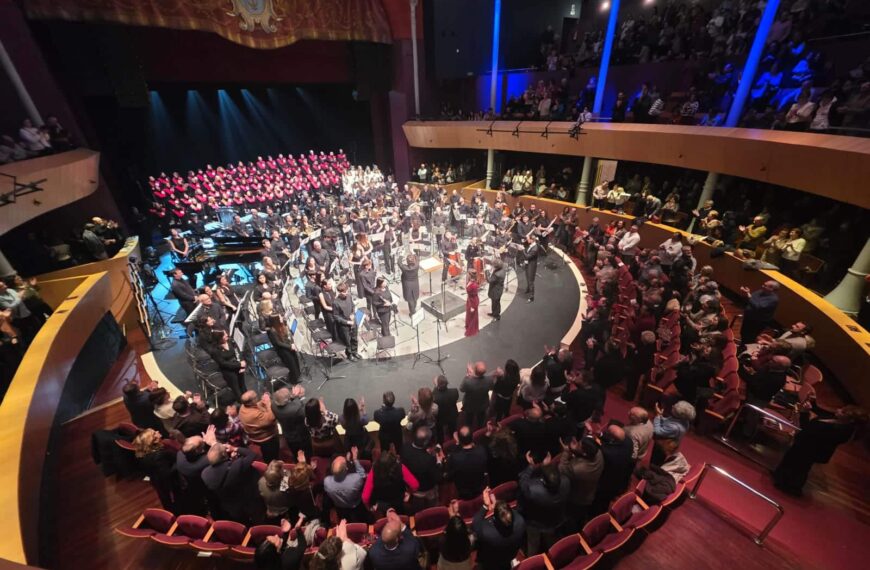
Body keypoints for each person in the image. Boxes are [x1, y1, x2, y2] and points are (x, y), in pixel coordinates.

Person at [773, 405, 868, 496]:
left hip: (810, 449)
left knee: (797, 466)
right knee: (794, 462)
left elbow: (806, 429)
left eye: (842, 411)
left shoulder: (839, 431)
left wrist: (804, 414)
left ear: (850, 420)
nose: (838, 410)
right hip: (808, 446)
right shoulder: (839, 422)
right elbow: (817, 416)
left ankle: (788, 485)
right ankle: (782, 478)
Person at [518, 452, 569, 555]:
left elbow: (523, 481)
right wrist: (548, 466)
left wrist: (531, 467)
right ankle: (553, 556)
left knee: (533, 543)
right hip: (554, 521)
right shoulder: (566, 483)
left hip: (535, 523)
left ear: (543, 481)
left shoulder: (532, 490)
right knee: (551, 540)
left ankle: (531, 560)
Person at [201, 442, 263, 524]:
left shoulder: (205, 474)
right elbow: (252, 454)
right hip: (247, 500)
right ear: (224, 454)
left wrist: (231, 462)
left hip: (229, 505)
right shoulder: (236, 466)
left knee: (242, 522)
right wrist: (234, 448)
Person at [558, 435, 603, 529]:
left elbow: (561, 469)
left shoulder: (577, 469)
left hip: (577, 498)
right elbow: (582, 455)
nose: (577, 444)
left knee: (571, 519)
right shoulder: (598, 453)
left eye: (579, 445)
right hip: (590, 492)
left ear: (585, 453)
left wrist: (566, 451)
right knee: (580, 516)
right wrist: (575, 449)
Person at [472, 492, 526, 570]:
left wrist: (485, 506)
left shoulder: (486, 533)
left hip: (490, 562)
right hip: (509, 557)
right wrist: (496, 504)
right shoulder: (521, 522)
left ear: (495, 519)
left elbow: (475, 523)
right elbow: (511, 513)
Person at [591, 425, 635, 515]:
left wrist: (592, 438)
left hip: (606, 481)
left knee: (599, 502)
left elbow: (602, 449)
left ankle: (595, 516)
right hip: (620, 478)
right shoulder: (628, 442)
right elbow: (613, 441)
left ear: (612, 438)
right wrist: (601, 435)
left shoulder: (607, 453)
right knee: (605, 500)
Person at [132, 428, 177, 510]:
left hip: (155, 479)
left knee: (164, 497)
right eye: (154, 433)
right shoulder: (159, 455)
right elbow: (167, 473)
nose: (158, 431)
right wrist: (178, 464)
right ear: (154, 441)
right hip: (168, 481)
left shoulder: (142, 454)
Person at [323, 446, 369, 523]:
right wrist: (354, 459)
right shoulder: (355, 479)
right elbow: (363, 475)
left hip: (340, 509)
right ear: (347, 469)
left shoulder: (327, 482)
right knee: (365, 522)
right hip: (356, 507)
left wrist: (347, 461)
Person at [403, 426, 442, 510]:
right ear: (426, 443)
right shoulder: (429, 459)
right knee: (433, 508)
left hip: (412, 490)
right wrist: (439, 462)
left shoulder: (405, 448)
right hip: (427, 490)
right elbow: (437, 478)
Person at [447, 426, 488, 499]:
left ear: (459, 440)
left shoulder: (454, 457)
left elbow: (450, 475)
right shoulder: (481, 450)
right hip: (479, 486)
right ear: (472, 437)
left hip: (463, 490)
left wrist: (457, 443)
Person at [239, 390, 280, 463]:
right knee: (271, 456)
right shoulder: (253, 415)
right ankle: (273, 467)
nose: (258, 397)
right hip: (267, 440)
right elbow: (271, 418)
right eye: (256, 397)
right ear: (251, 401)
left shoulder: (243, 406)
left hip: (256, 437)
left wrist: (262, 401)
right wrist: (268, 403)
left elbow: (256, 405)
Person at [271, 386, 311, 457]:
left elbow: (285, 402)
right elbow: (306, 413)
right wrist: (300, 397)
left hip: (287, 434)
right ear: (287, 400)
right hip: (300, 436)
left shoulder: (273, 405)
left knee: (295, 452)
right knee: (307, 452)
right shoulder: (296, 409)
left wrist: (293, 397)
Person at [211, 329, 247, 400]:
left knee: (243, 385)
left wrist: (242, 362)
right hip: (229, 371)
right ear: (219, 338)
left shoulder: (231, 341)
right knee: (236, 389)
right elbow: (223, 363)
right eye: (224, 335)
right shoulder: (215, 350)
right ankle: (242, 403)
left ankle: (248, 399)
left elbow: (238, 352)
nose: (227, 335)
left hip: (238, 366)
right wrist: (239, 365)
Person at [266, 315, 301, 384]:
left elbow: (284, 338)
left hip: (287, 346)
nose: (282, 318)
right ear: (276, 321)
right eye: (280, 318)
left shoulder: (280, 326)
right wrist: (290, 346)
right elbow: (278, 343)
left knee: (295, 360)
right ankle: (294, 380)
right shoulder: (272, 331)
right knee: (291, 364)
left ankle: (298, 375)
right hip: (283, 350)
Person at [438, 503, 473, 570]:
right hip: (465, 566)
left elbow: (448, 531)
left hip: (446, 566)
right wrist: (456, 517)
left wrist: (453, 518)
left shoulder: (442, 541)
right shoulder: (471, 540)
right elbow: (464, 530)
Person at [460, 361, 494, 430]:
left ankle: (469, 429)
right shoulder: (489, 379)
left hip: (470, 405)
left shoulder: (468, 381)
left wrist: (468, 375)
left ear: (474, 370)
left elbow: (462, 389)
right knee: (481, 419)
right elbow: (491, 387)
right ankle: (480, 430)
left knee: (469, 419)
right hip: (482, 404)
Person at [333, 283, 362, 361]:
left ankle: (355, 352)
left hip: (353, 321)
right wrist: (347, 322)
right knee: (348, 340)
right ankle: (349, 354)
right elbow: (336, 316)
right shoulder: (336, 302)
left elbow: (352, 306)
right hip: (345, 325)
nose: (345, 293)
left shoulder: (349, 296)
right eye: (343, 292)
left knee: (354, 338)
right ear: (339, 292)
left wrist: (353, 313)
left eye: (346, 291)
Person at [433, 375, 459, 444]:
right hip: (452, 415)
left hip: (440, 418)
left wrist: (436, 387)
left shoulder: (435, 396)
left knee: (440, 432)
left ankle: (441, 443)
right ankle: (453, 440)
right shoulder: (454, 391)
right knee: (453, 430)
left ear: (438, 385)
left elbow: (434, 396)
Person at [523, 235, 540, 303]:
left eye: (528, 239)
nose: (527, 240)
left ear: (532, 240)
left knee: (531, 281)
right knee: (527, 277)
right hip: (528, 264)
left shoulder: (535, 248)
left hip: (531, 266)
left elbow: (527, 256)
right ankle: (528, 289)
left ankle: (531, 297)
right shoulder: (532, 245)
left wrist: (523, 250)